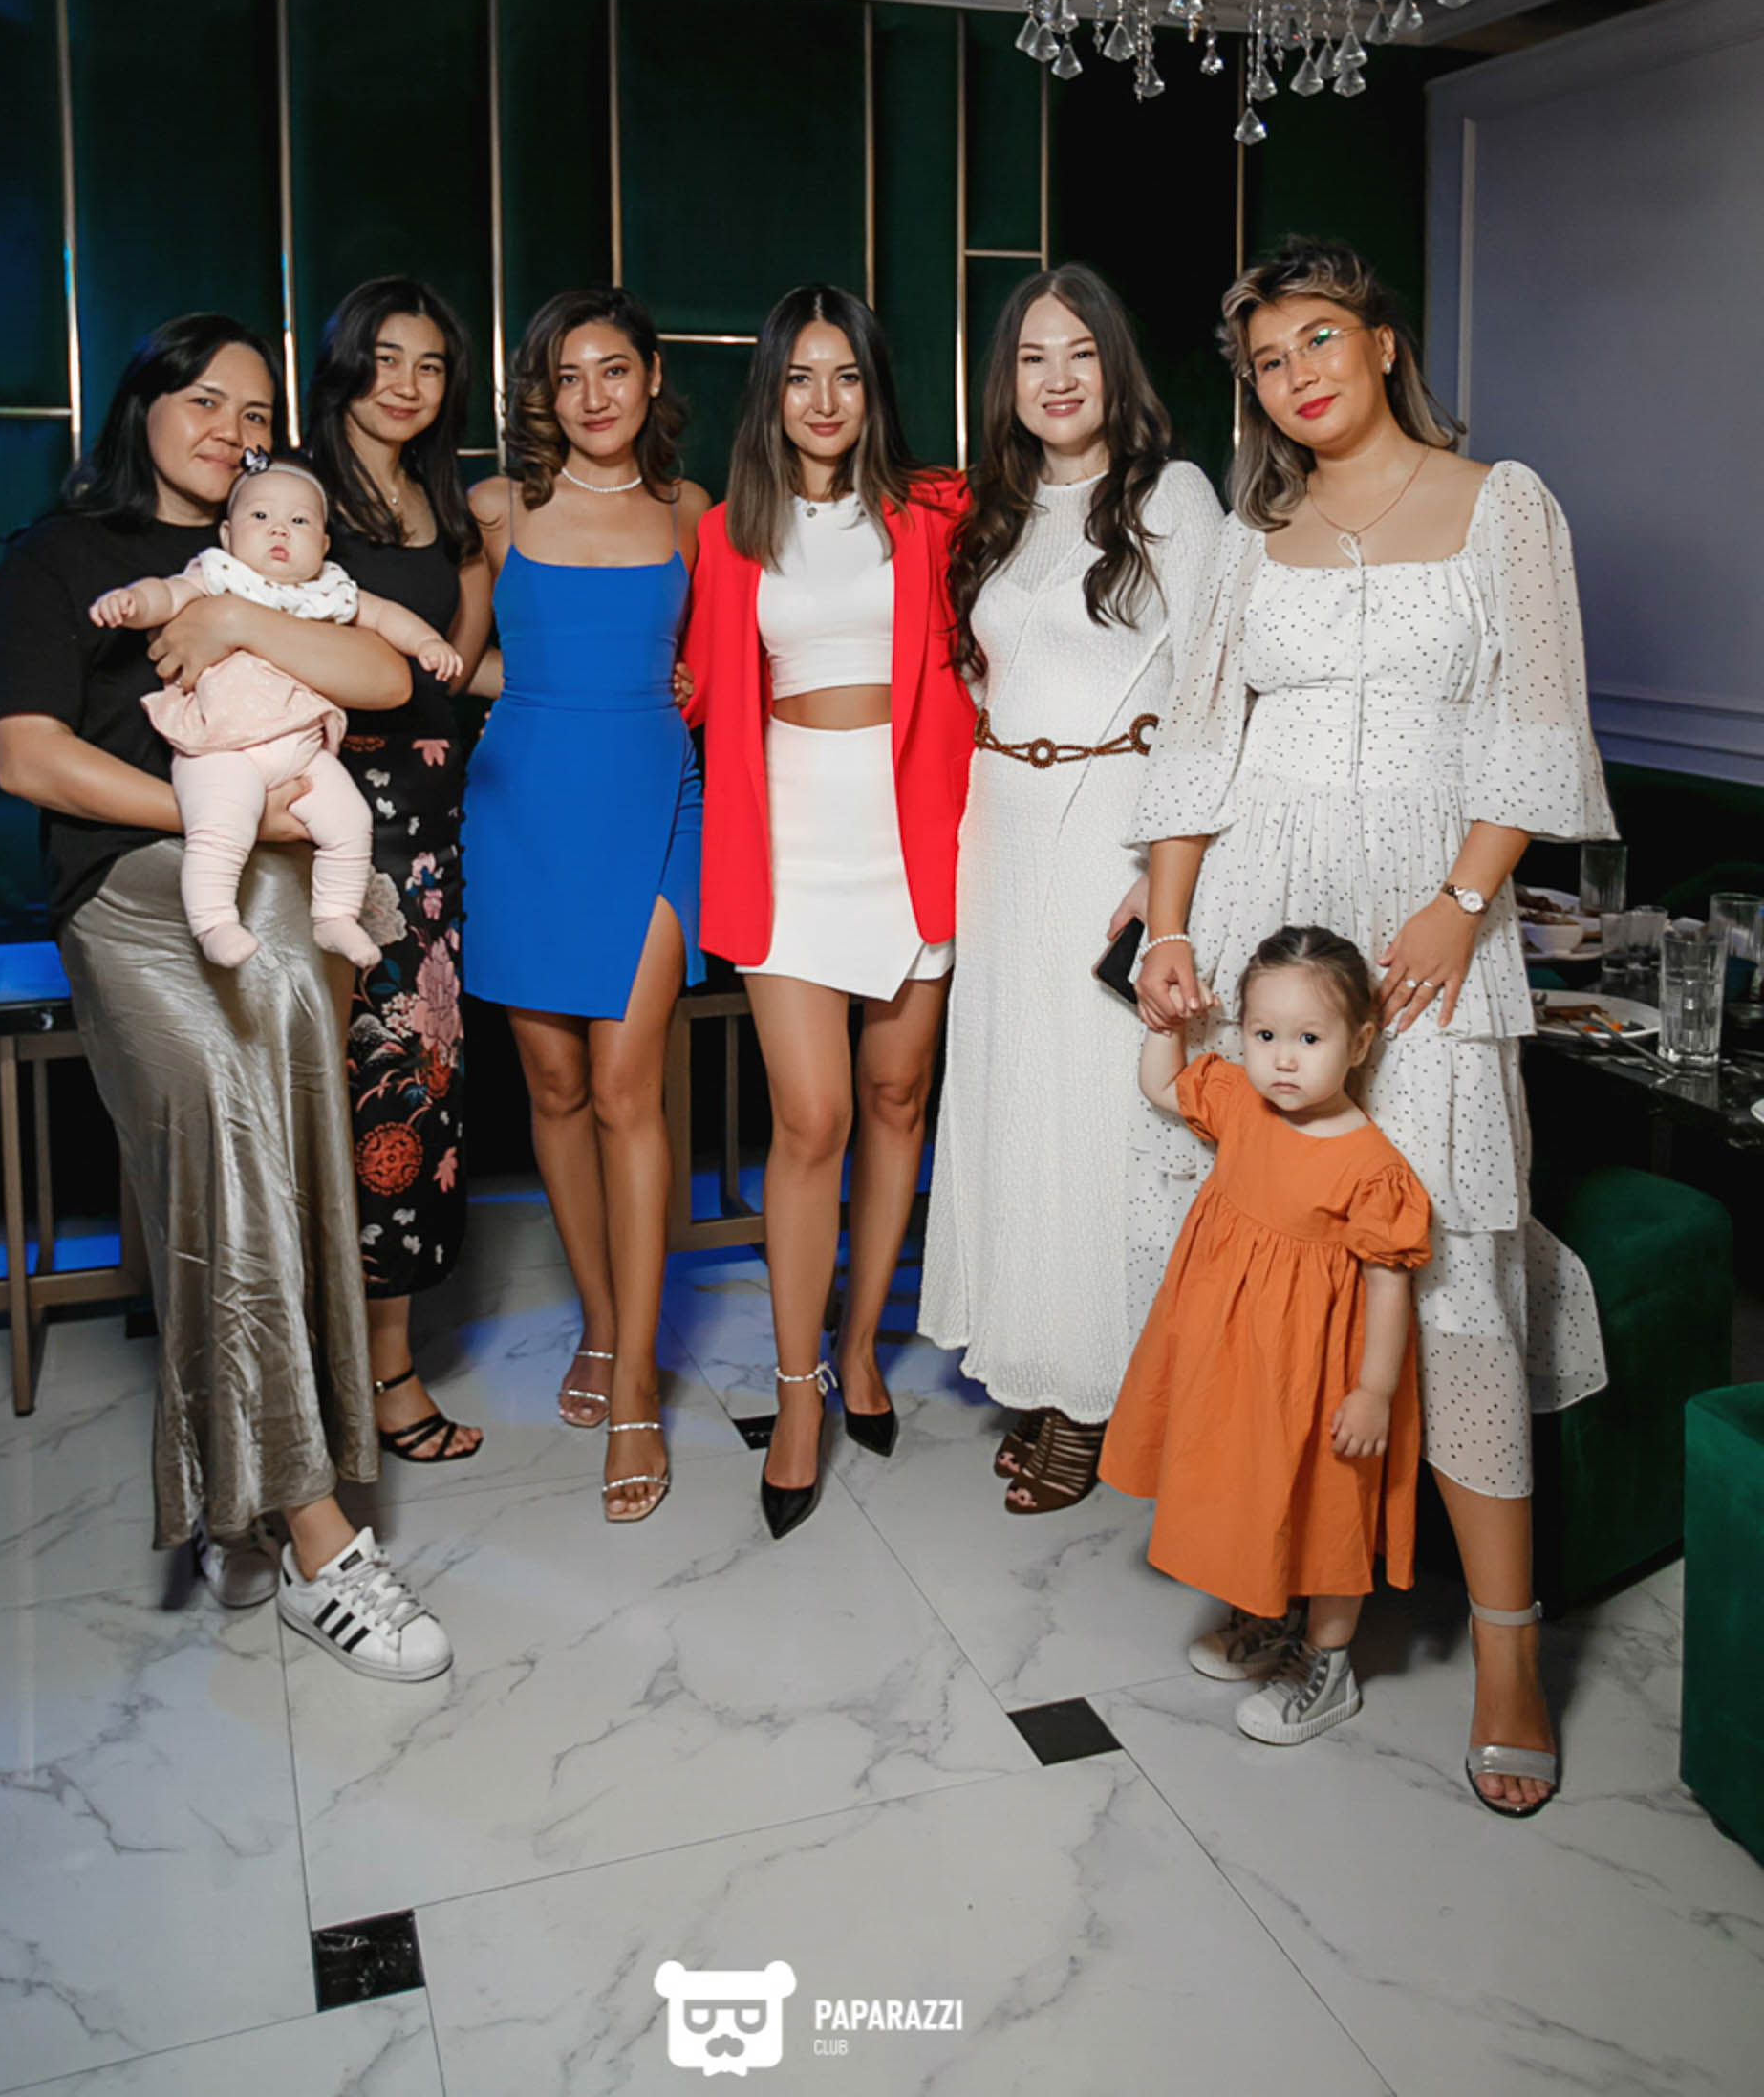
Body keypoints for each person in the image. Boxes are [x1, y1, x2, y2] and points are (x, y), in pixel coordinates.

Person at [1134, 235, 1612, 1815]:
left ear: (1384, 342)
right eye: (1268, 361)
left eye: (1320, 340)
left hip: (1427, 940)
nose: (1298, 378)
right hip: (1268, 937)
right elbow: (1198, 746)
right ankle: (1296, 1597)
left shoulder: (1502, 507)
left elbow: (1537, 726)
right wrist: (1175, 930)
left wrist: (1464, 900)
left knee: (1450, 1277)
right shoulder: (1249, 542)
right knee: (1277, 1274)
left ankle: (1506, 1656)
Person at [0, 313, 451, 1681]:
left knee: (280, 1163)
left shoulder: (277, 553)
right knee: (231, 1143)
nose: (232, 429)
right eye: (204, 400)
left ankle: (241, 1497)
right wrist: (204, 817)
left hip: (275, 891)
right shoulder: (61, 559)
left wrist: (239, 616)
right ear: (145, 407)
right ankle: (322, 1543)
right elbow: (25, 758)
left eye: (254, 411)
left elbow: (385, 672)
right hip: (133, 892)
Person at [917, 266, 1224, 1513]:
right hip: (999, 829)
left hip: (1111, 828)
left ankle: (1098, 1392)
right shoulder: (993, 512)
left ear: (1115, 368)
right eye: (1033, 357)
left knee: (1099, 1116)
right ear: (1008, 381)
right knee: (1014, 1102)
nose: (1056, 378)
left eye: (1079, 353)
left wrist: (1163, 872)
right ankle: (1038, 1368)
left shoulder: (1172, 497)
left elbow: (1215, 690)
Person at [681, 286, 974, 1539]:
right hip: (789, 834)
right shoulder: (726, 532)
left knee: (898, 1097)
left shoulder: (938, 512)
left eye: (845, 375)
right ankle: (796, 1387)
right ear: (771, 393)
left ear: (872, 389)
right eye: (800, 376)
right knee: (813, 1116)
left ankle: (859, 1347)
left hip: (914, 828)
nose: (823, 400)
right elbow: (700, 688)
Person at [462, 287, 709, 1523]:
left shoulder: (694, 512)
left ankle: (637, 1389)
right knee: (553, 1088)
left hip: (656, 802)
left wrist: (677, 678)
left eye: (614, 368)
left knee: (623, 1088)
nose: (593, 395)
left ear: (651, 376)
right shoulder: (497, 509)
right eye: (569, 376)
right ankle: (602, 1326)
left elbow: (730, 659)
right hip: (524, 807)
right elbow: (460, 661)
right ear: (544, 395)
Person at [1101, 926, 1431, 1748]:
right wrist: (1167, 1023)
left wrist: (1375, 1390)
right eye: (1264, 1035)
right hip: (1240, 1357)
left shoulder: (1372, 1167)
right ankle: (1272, 1615)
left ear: (1360, 1044)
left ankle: (1328, 1663)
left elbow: (1388, 1285)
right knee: (1255, 1483)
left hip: (1318, 1371)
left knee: (1328, 1506)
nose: (1283, 1060)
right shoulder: (1241, 1103)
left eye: (1309, 1040)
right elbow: (1162, 1086)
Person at [304, 278, 486, 1467]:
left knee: (407, 1104)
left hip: (426, 843)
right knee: (305, 1103)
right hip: (317, 827)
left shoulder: (445, 499)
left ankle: (388, 1370)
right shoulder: (295, 492)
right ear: (344, 364)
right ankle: (297, 1382)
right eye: (383, 357)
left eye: (427, 363)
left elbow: (456, 668)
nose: (404, 384)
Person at [89, 454, 462, 969]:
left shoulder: (327, 591)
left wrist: (426, 643)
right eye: (260, 516)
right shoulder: (219, 576)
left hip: (303, 749)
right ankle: (214, 922)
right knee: (222, 824)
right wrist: (132, 602)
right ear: (227, 534)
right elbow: (166, 595)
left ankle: (335, 916)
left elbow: (384, 616)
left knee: (351, 821)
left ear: (323, 545)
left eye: (300, 520)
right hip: (220, 745)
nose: (279, 530)